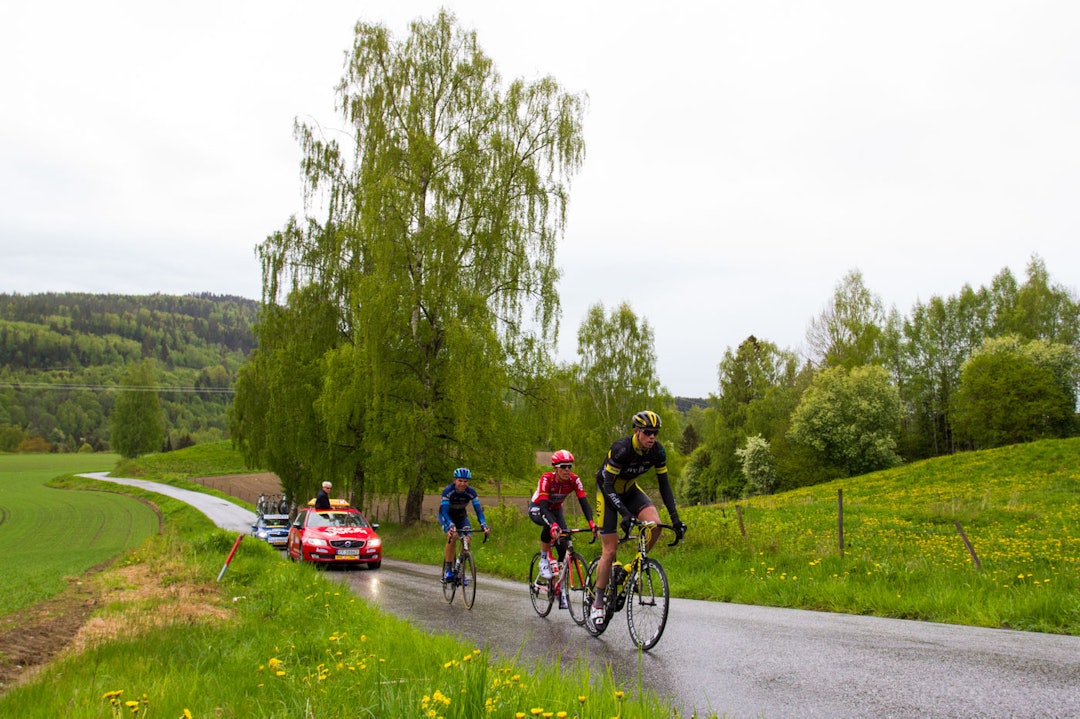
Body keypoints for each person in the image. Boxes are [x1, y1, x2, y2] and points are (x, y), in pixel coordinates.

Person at [589, 410, 687, 626]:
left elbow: (664, 485)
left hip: (630, 490)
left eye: (656, 433)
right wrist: (625, 514)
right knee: (610, 549)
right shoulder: (621, 449)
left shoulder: (657, 451)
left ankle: (629, 570)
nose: (652, 437)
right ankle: (597, 602)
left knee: (656, 525)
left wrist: (676, 518)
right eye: (648, 432)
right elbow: (607, 485)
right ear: (636, 431)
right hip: (608, 492)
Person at [529, 449, 597, 609]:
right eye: (563, 466)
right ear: (555, 468)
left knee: (563, 546)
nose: (567, 470)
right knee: (549, 524)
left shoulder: (574, 480)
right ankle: (544, 559)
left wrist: (591, 523)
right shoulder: (546, 479)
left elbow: (584, 502)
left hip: (556, 509)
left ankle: (557, 585)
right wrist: (553, 524)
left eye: (569, 466)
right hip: (539, 508)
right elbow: (544, 508)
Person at [438, 467, 491, 582]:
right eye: (460, 480)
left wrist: (483, 524)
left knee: (468, 538)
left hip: (461, 517)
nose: (463, 484)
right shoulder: (448, 491)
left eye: (465, 481)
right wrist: (450, 525)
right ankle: (448, 570)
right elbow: (444, 511)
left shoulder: (471, 492)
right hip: (446, 516)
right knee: (453, 536)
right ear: (454, 480)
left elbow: (478, 511)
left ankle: (459, 568)